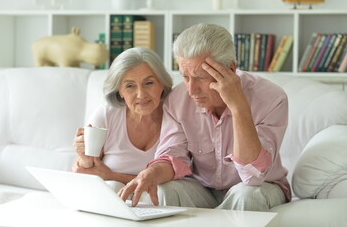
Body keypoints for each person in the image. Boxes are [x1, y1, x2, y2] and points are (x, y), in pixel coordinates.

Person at [118, 23, 291, 211]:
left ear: (230, 69)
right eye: (185, 77)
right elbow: (172, 157)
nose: (192, 90)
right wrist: (151, 173)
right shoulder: (177, 100)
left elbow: (253, 176)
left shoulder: (272, 98)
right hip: (203, 189)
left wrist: (238, 107)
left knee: (246, 194)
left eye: (200, 77)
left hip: (261, 187)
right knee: (167, 188)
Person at [71, 47, 173, 197]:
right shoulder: (106, 115)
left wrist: (112, 176)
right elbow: (81, 175)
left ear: (162, 84)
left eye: (149, 83)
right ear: (120, 90)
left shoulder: (176, 114)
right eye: (130, 86)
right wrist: (84, 159)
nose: (141, 94)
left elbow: (185, 177)